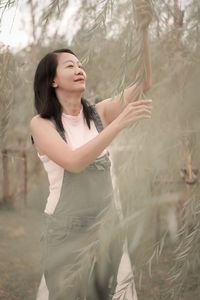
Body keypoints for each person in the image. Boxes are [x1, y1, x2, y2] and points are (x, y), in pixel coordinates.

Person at [30, 45, 152, 300]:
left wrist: (143, 30)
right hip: (65, 232)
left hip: (106, 228)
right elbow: (74, 162)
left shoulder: (99, 113)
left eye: (80, 65)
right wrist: (119, 123)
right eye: (70, 65)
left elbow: (144, 82)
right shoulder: (42, 124)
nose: (79, 69)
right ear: (52, 80)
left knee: (102, 296)